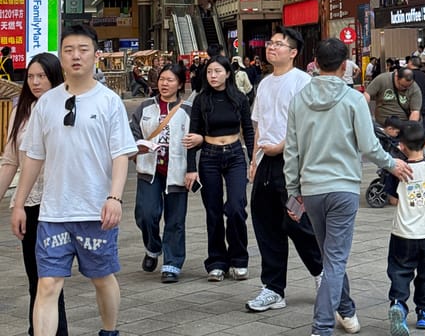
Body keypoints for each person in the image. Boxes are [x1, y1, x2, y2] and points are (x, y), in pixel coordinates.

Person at [11, 23, 137, 336]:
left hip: (96, 211)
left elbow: (120, 154)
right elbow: (33, 158)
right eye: (68, 50)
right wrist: (18, 204)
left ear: (96, 55)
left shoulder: (108, 102)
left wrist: (115, 197)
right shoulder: (45, 104)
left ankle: (109, 331)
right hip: (54, 213)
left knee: (102, 277)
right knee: (48, 283)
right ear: (62, 57)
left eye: (82, 49)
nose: (75, 56)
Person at [284, 38, 412, 336]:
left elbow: (292, 151)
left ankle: (347, 311)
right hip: (343, 188)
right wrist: (392, 163)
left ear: (314, 63)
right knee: (335, 260)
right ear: (345, 66)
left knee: (330, 257)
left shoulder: (299, 99)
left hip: (311, 189)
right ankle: (322, 327)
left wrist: (293, 192)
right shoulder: (353, 99)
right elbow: (369, 146)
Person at [245, 26, 323, 313]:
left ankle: (321, 273)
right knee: (265, 224)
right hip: (266, 164)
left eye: (279, 44)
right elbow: (257, 125)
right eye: (270, 42)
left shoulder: (303, 82)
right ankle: (273, 288)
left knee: (297, 222)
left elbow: (310, 125)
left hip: (293, 165)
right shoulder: (264, 83)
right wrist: (254, 160)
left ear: (293, 52)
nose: (271, 47)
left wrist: (283, 145)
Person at [0, 53, 68, 336]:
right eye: (31, 77)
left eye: (42, 76)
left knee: (51, 279)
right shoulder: (21, 112)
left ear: (55, 78)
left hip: (62, 204)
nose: (36, 82)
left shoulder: (67, 108)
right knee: (36, 277)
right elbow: (10, 160)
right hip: (29, 204)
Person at [184, 55, 254, 281]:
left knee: (236, 207)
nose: (213, 76)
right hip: (209, 158)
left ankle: (239, 258)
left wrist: (253, 160)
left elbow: (249, 131)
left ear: (227, 73)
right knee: (213, 212)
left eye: (217, 71)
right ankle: (216, 261)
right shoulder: (201, 100)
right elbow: (192, 136)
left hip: (235, 155)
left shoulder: (239, 98)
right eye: (209, 72)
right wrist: (191, 168)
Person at [129, 62, 191, 283]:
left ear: (180, 83)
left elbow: (194, 142)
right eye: (162, 79)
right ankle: (153, 247)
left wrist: (193, 170)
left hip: (177, 171)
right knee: (146, 214)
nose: (165, 84)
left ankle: (172, 263)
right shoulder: (145, 107)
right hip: (149, 169)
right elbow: (131, 132)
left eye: (170, 80)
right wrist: (138, 146)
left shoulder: (187, 110)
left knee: (175, 220)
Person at [386, 121, 425, 335]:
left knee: (400, 271)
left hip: (403, 232)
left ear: (401, 146)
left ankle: (398, 304)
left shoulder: (397, 171)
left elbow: (392, 200)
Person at [407, 56, 425, 136]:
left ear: (410, 63)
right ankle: (424, 143)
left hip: (410, 106)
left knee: (410, 128)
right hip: (424, 105)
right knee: (424, 127)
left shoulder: (407, 75)